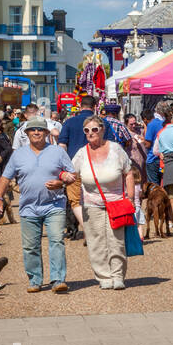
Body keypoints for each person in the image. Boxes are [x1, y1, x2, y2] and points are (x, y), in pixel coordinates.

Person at [0, 117, 74, 293]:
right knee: (30, 246)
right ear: (27, 133)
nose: (36, 132)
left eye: (40, 129)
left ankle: (58, 279)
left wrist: (60, 183)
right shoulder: (19, 154)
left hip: (54, 205)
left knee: (56, 240)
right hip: (28, 207)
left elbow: (72, 174)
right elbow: (5, 178)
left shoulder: (57, 152)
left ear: (46, 133)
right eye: (33, 130)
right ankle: (35, 279)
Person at [72, 115, 138, 290]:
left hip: (116, 202)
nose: (90, 133)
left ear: (102, 130)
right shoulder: (81, 153)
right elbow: (73, 174)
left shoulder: (116, 149)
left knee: (116, 240)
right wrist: (61, 178)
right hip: (91, 203)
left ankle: (117, 275)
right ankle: (103, 276)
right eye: (86, 130)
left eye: (94, 129)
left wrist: (130, 198)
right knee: (96, 241)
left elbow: (128, 173)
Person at [58, 94, 118, 240]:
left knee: (75, 200)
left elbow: (62, 146)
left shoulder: (69, 122)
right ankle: (97, 228)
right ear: (95, 107)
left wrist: (64, 166)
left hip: (74, 168)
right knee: (97, 198)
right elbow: (111, 144)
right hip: (99, 167)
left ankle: (87, 229)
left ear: (80, 106)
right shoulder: (102, 123)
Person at [143, 102, 171, 185]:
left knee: (154, 186)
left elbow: (147, 144)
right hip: (166, 158)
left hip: (153, 158)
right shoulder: (170, 123)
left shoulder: (152, 124)